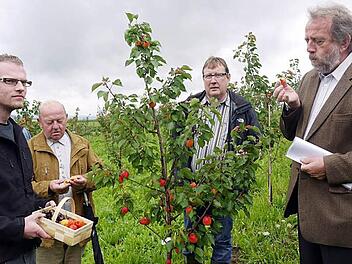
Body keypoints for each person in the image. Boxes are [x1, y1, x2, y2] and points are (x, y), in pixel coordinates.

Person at [273, 4, 352, 264]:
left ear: (344, 42)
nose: (309, 47)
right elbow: (291, 135)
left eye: (318, 40)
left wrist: (330, 166)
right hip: (309, 214)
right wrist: (293, 107)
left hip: (343, 219)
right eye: (307, 40)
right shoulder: (309, 79)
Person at [184, 56, 260, 264]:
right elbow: (178, 146)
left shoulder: (242, 108)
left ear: (228, 78)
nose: (213, 80)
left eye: (218, 75)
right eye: (209, 75)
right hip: (193, 188)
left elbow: (256, 140)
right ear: (203, 79)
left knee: (222, 241)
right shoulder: (190, 107)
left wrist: (246, 154)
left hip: (224, 188)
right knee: (191, 242)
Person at [28, 100, 101, 264]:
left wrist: (86, 181)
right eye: (49, 122)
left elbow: (102, 174)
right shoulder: (30, 148)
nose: (55, 126)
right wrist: (49, 187)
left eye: (60, 121)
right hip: (46, 226)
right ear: (39, 121)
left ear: (66, 118)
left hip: (76, 222)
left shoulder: (81, 145)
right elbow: (23, 186)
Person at [0, 54, 53, 263]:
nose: (21, 87)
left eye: (24, 82)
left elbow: (17, 192)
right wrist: (19, 227)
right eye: (10, 81)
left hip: (26, 251)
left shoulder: (20, 135)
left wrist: (40, 205)